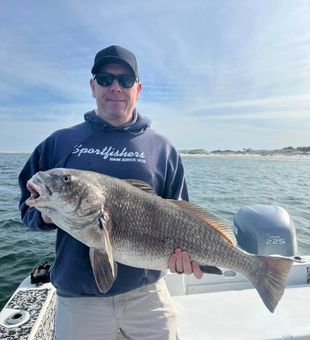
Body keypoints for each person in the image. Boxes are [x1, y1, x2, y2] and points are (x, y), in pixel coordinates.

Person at [19, 45, 203, 340]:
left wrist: (187, 257)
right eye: (105, 79)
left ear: (138, 89)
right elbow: (26, 208)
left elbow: (183, 215)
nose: (115, 87)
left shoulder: (163, 149)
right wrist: (49, 216)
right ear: (92, 87)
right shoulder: (58, 143)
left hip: (148, 295)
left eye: (125, 80)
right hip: (80, 299)